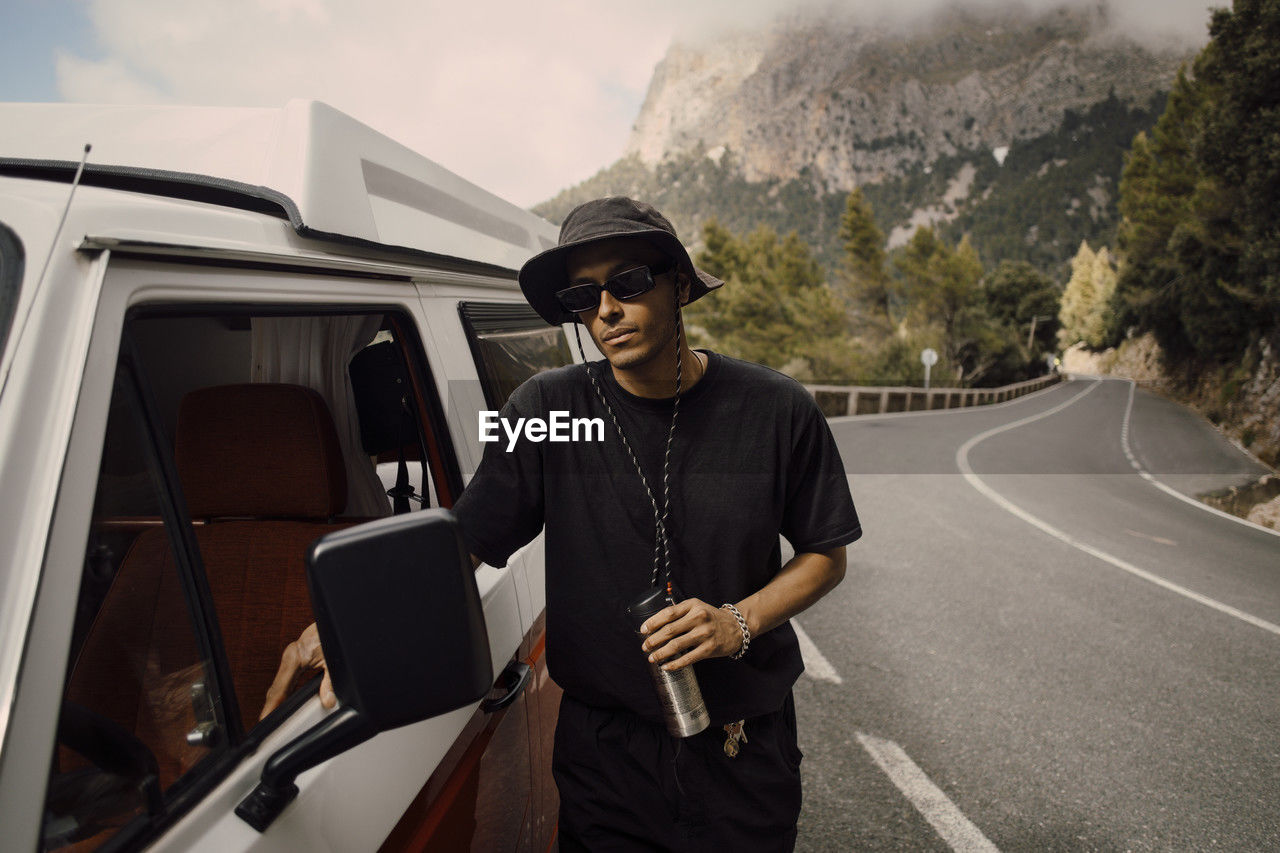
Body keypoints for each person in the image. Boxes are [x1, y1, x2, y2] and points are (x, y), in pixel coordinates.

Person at [266, 197, 862, 851]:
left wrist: (734, 623)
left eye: (628, 282)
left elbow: (824, 554)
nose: (606, 309)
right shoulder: (550, 408)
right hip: (604, 756)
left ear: (680, 285)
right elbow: (466, 540)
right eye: (585, 295)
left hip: (741, 744)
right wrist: (359, 622)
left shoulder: (776, 409)